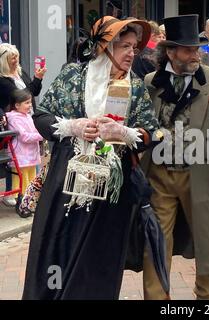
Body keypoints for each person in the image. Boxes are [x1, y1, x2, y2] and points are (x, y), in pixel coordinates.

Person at [22, 16, 159, 300]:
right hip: (66, 185)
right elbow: (41, 118)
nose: (131, 53)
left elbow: (152, 135)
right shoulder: (72, 75)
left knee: (100, 260)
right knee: (58, 249)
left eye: (134, 47)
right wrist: (74, 126)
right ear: (104, 47)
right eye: (124, 46)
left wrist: (124, 132)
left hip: (111, 194)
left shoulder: (135, 86)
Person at [141, 14, 209, 300]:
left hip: (204, 173)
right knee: (156, 242)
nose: (195, 54)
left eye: (197, 48)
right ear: (171, 52)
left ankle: (208, 298)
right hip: (160, 174)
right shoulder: (151, 81)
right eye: (188, 50)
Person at [0, 43, 47, 206]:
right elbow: (21, 96)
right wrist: (36, 81)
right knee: (16, 158)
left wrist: (38, 79)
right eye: (12, 57)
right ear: (4, 60)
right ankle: (14, 193)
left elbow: (32, 92)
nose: (15, 60)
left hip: (28, 116)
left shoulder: (21, 72)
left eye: (17, 56)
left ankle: (30, 192)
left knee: (30, 157)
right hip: (14, 120)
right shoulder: (3, 80)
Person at [6, 89, 43, 200]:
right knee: (21, 180)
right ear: (17, 105)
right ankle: (21, 200)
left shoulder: (27, 116)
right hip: (20, 155)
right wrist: (41, 135)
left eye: (30, 102)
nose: (30, 105)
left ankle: (30, 199)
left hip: (31, 154)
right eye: (27, 103)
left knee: (31, 179)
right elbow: (24, 137)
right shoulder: (14, 119)